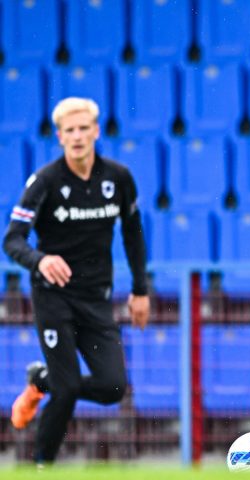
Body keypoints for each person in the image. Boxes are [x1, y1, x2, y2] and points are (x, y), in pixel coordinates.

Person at [2, 97, 150, 466]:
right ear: (60, 136)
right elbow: (12, 239)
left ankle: (40, 382)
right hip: (54, 298)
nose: (78, 136)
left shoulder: (118, 178)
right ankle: (41, 467)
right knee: (67, 389)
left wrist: (140, 290)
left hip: (96, 299)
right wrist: (40, 260)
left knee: (114, 387)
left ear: (97, 131)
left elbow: (133, 233)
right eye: (70, 130)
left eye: (85, 128)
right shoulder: (46, 181)